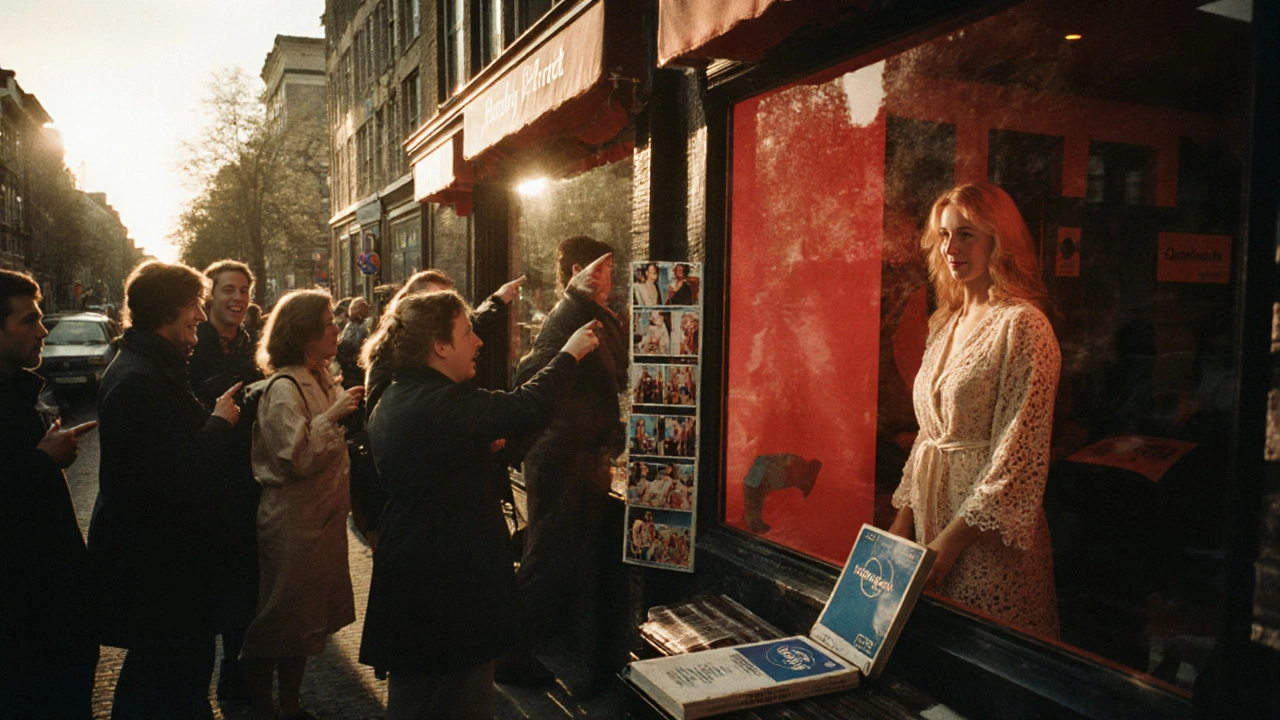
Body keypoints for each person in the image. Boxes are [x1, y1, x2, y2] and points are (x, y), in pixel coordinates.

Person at [359, 290, 601, 720]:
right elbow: (524, 407)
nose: (478, 341)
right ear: (439, 346)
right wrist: (568, 353)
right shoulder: (436, 403)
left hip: (428, 585)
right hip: (442, 594)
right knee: (442, 701)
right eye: (467, 331)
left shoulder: (408, 393)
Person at [888, 182, 1061, 639]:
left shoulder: (1023, 325)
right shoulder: (945, 322)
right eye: (943, 236)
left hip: (985, 536)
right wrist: (900, 530)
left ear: (998, 241)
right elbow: (929, 433)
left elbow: (1018, 456)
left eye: (966, 234)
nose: (951, 248)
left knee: (988, 652)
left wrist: (949, 544)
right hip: (931, 518)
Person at [89, 260, 244, 719]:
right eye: (194, 305)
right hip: (161, 578)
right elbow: (168, 482)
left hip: (167, 575)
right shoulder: (138, 380)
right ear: (169, 311)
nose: (200, 315)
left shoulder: (148, 367)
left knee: (167, 680)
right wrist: (217, 424)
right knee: (164, 684)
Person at [500, 237, 627, 685]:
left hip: (575, 455)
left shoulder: (584, 314)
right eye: (607, 271)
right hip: (563, 458)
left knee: (550, 554)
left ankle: (524, 642)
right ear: (582, 270)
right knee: (546, 557)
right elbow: (530, 380)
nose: (613, 280)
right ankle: (510, 654)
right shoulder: (571, 314)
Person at [239, 290, 364, 720]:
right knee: (278, 620)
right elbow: (295, 457)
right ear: (303, 333)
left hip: (322, 518)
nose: (336, 327)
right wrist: (334, 416)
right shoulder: (283, 387)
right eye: (328, 321)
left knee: (305, 622)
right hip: (293, 522)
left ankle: (290, 705)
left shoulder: (323, 376)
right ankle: (263, 708)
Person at [0, 269, 99, 719]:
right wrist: (44, 460)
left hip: (49, 617)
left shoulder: (19, 392)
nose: (44, 331)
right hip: (27, 627)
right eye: (28, 321)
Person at [186, 260, 264, 706]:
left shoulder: (254, 347)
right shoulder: (191, 347)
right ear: (209, 297)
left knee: (245, 593)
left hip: (249, 480)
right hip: (209, 480)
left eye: (244, 291)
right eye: (228, 290)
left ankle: (236, 682)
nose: (237, 299)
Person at [364, 269, 526, 416]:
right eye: (437, 298)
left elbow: (470, 328)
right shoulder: (390, 356)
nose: (446, 305)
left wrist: (498, 299)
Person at [336, 296, 371, 388]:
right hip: (357, 375)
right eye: (365, 308)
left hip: (347, 373)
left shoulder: (349, 326)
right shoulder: (362, 327)